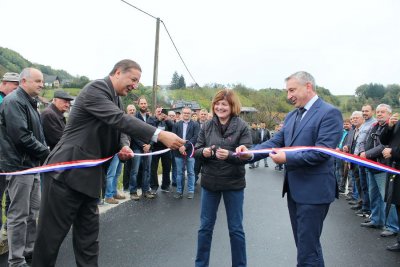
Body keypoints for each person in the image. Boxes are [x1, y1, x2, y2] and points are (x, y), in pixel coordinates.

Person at [32, 59, 185, 267]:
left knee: (89, 243)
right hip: (65, 175)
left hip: (90, 179)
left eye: (138, 82)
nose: (135, 86)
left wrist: (124, 146)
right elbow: (118, 120)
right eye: (133, 79)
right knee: (49, 242)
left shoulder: (117, 100)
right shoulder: (96, 89)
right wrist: (158, 134)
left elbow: (120, 129)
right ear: (118, 72)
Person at [237, 71, 342, 266]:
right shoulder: (293, 115)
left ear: (308, 86)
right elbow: (276, 141)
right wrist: (251, 153)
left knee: (307, 250)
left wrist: (287, 157)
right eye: (287, 91)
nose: (288, 96)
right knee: (306, 246)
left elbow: (323, 152)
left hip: (314, 193)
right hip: (295, 191)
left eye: (292, 90)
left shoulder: (329, 113)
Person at [195, 89, 252, 267]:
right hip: (209, 183)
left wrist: (229, 155)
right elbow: (196, 150)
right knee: (205, 228)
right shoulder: (206, 125)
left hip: (233, 184)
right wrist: (203, 152)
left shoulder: (242, 126)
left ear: (232, 106)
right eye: (217, 104)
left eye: (224, 104)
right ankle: (201, 264)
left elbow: (247, 155)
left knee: (236, 229)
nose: (220, 107)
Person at [0, 68, 50, 267]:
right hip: (19, 166)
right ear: (23, 81)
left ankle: (29, 251)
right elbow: (21, 137)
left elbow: (37, 134)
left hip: (31, 165)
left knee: (32, 212)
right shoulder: (14, 102)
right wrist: (46, 152)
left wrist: (43, 150)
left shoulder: (30, 102)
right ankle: (16, 260)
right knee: (18, 215)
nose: (41, 84)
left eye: (42, 81)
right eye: (37, 81)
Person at [128, 96, 157, 200]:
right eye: (141, 104)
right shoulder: (134, 117)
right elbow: (134, 133)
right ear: (138, 105)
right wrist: (143, 145)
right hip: (137, 147)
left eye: (145, 103)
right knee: (135, 170)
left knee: (147, 170)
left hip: (149, 148)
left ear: (147, 104)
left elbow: (154, 133)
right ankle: (133, 192)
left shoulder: (152, 118)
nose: (143, 105)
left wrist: (149, 145)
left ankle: (146, 191)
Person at [380, 112, 400, 252]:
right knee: (398, 205)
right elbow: (384, 140)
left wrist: (393, 151)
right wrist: (389, 127)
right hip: (395, 168)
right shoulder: (397, 121)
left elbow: (392, 147)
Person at [172, 106, 200, 199]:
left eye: (188, 113)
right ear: (182, 113)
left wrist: (185, 146)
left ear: (191, 114)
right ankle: (179, 191)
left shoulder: (195, 125)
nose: (186, 114)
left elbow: (195, 137)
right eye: (185, 113)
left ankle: (191, 191)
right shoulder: (176, 124)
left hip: (190, 152)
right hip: (178, 151)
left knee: (191, 172)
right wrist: (180, 147)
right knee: (179, 172)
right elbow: (174, 137)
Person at [150, 107, 174, 193]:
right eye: (158, 112)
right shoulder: (152, 119)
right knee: (153, 168)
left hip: (166, 148)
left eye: (161, 112)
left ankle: (165, 185)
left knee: (167, 167)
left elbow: (173, 128)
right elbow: (150, 128)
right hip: (155, 148)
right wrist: (158, 120)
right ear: (155, 113)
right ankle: (154, 186)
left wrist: (167, 119)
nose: (160, 113)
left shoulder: (167, 121)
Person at [122, 104, 137, 191]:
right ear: (127, 111)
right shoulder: (124, 121)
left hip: (135, 146)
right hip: (126, 146)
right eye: (130, 110)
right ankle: (126, 186)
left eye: (133, 110)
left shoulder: (136, 120)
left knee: (134, 168)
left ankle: (134, 185)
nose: (132, 111)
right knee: (127, 167)